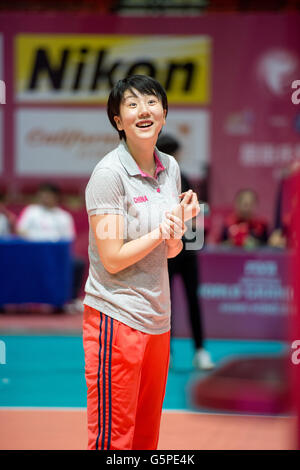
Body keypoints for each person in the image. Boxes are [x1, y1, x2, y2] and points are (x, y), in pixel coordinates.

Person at [83, 74, 200, 450]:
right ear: (118, 120)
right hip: (115, 318)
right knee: (114, 440)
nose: (143, 110)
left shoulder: (170, 168)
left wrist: (178, 227)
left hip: (158, 319)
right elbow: (112, 259)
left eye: (151, 102)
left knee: (147, 438)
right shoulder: (108, 175)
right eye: (131, 105)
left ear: (164, 113)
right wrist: (159, 232)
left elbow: (171, 251)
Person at [156, 134, 214, 370]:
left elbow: (193, 212)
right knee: (164, 304)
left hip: (187, 246)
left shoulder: (184, 177)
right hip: (164, 247)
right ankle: (164, 353)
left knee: (193, 300)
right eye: (177, 153)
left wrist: (190, 228)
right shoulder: (153, 180)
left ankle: (200, 351)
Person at [16, 182, 85, 311]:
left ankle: (70, 300)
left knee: (78, 263)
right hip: (32, 255)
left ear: (56, 197)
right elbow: (21, 231)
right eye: (43, 194)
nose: (45, 197)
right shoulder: (31, 212)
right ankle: (20, 301)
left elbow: (68, 239)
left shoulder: (64, 216)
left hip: (55, 257)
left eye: (48, 195)